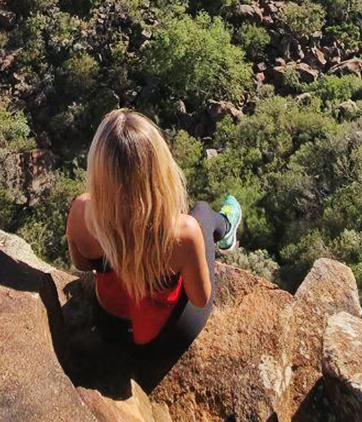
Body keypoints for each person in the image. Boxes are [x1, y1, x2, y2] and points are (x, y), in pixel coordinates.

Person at [66, 108, 242, 355]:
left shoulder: (81, 211)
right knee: (201, 212)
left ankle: (224, 226)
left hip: (109, 329)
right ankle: (225, 226)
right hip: (159, 341)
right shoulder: (181, 233)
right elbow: (200, 299)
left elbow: (82, 266)